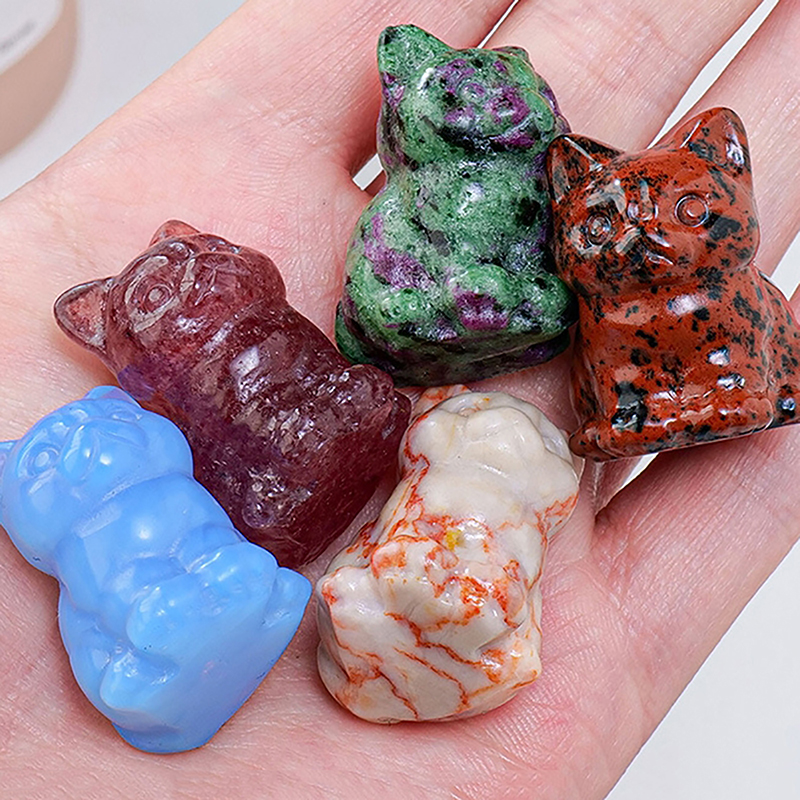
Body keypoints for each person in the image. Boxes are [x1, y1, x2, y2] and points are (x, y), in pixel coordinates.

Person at [1, 0, 798, 796]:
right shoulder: (171, 442)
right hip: (346, 444)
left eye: (196, 260)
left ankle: (257, 591)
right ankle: (210, 618)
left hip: (391, 464)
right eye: (158, 296)